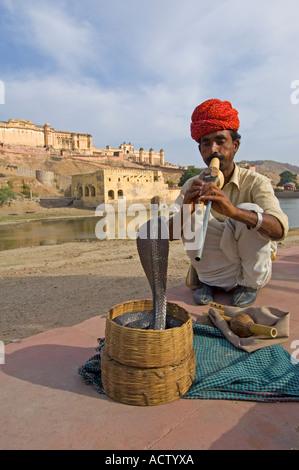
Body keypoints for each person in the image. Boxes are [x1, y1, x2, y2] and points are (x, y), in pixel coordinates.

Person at [168, 99, 289, 307]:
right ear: (200, 150)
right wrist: (188, 204)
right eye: (206, 143)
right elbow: (169, 234)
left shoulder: (256, 182)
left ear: (235, 145)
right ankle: (207, 281)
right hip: (214, 269)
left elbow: (279, 230)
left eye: (220, 141)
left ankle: (250, 285)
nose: (213, 149)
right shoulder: (192, 184)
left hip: (250, 267)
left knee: (250, 211)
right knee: (190, 215)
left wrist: (234, 212)